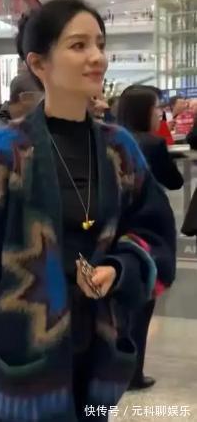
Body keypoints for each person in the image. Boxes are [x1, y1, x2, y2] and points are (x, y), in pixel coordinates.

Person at [0, 0, 176, 422]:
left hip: (97, 354)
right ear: (38, 63)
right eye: (78, 45)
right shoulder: (7, 150)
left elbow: (153, 228)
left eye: (100, 44)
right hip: (20, 359)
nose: (97, 57)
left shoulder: (119, 149)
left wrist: (120, 267)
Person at [117, 85, 182, 390]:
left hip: (114, 230)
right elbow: (175, 181)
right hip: (145, 233)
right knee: (142, 303)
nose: (160, 114)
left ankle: (112, 367)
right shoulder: (152, 144)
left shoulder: (110, 139)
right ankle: (133, 372)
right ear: (144, 111)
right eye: (157, 108)